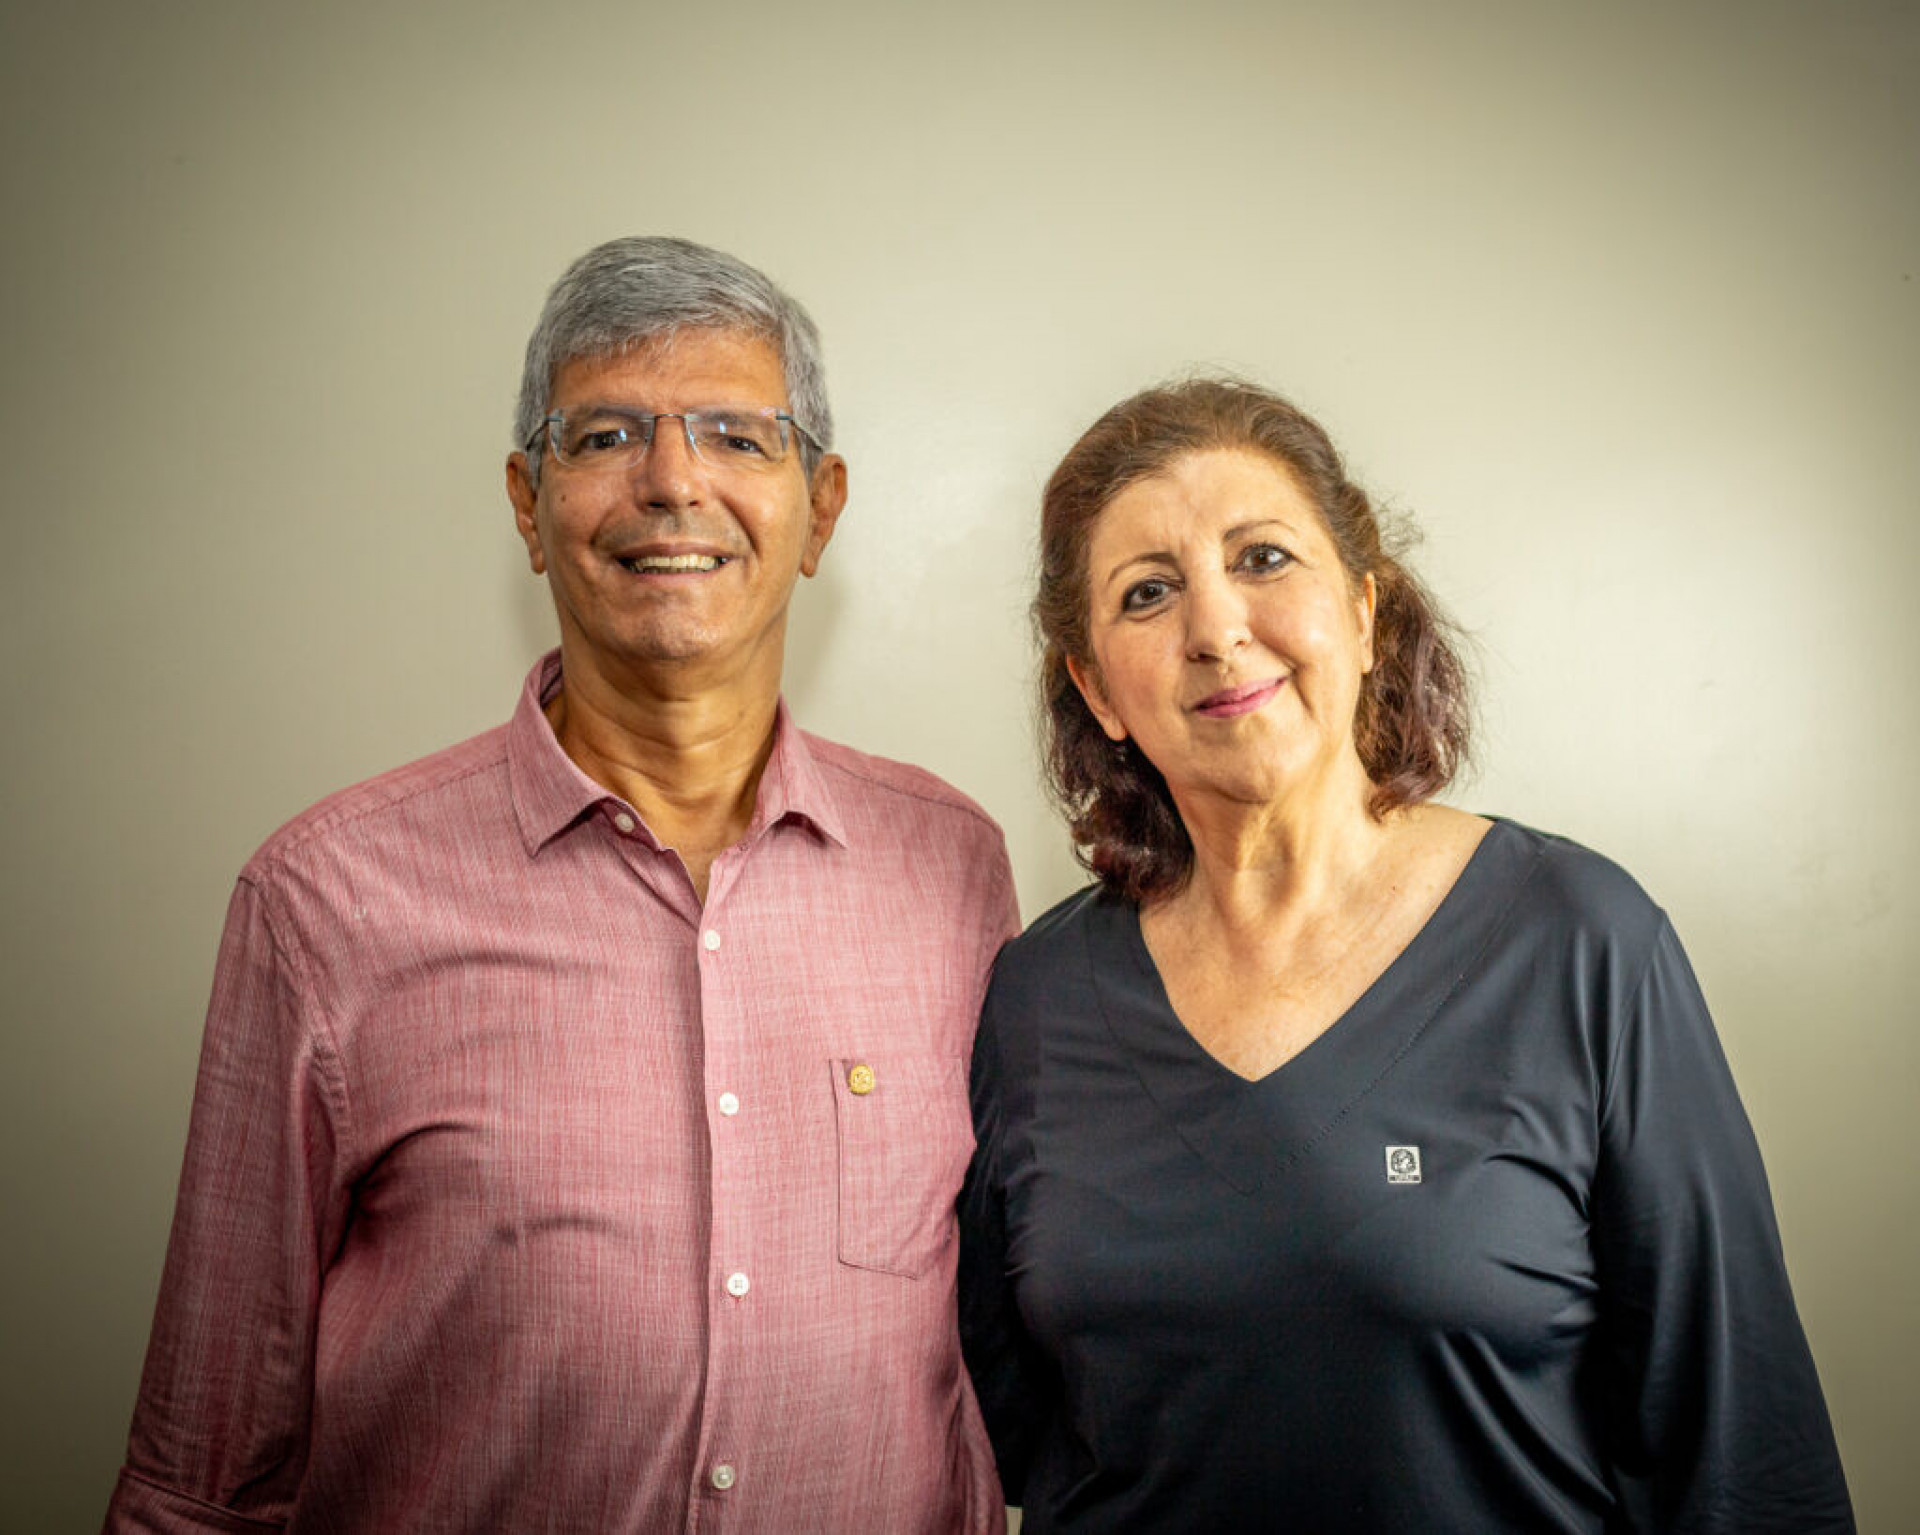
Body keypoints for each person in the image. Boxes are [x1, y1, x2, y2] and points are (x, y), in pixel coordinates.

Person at [106, 237, 1017, 1533]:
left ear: (821, 508)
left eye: (737, 434)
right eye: (605, 436)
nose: (673, 480)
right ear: (528, 505)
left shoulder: (953, 868)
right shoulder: (324, 901)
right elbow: (202, 1480)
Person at [958, 378, 1854, 1532]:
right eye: (1148, 591)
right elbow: (1008, 1430)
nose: (1216, 629)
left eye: (1264, 558)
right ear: (1097, 688)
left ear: (1366, 611)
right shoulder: (1035, 998)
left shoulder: (1582, 942)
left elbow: (1740, 1455)